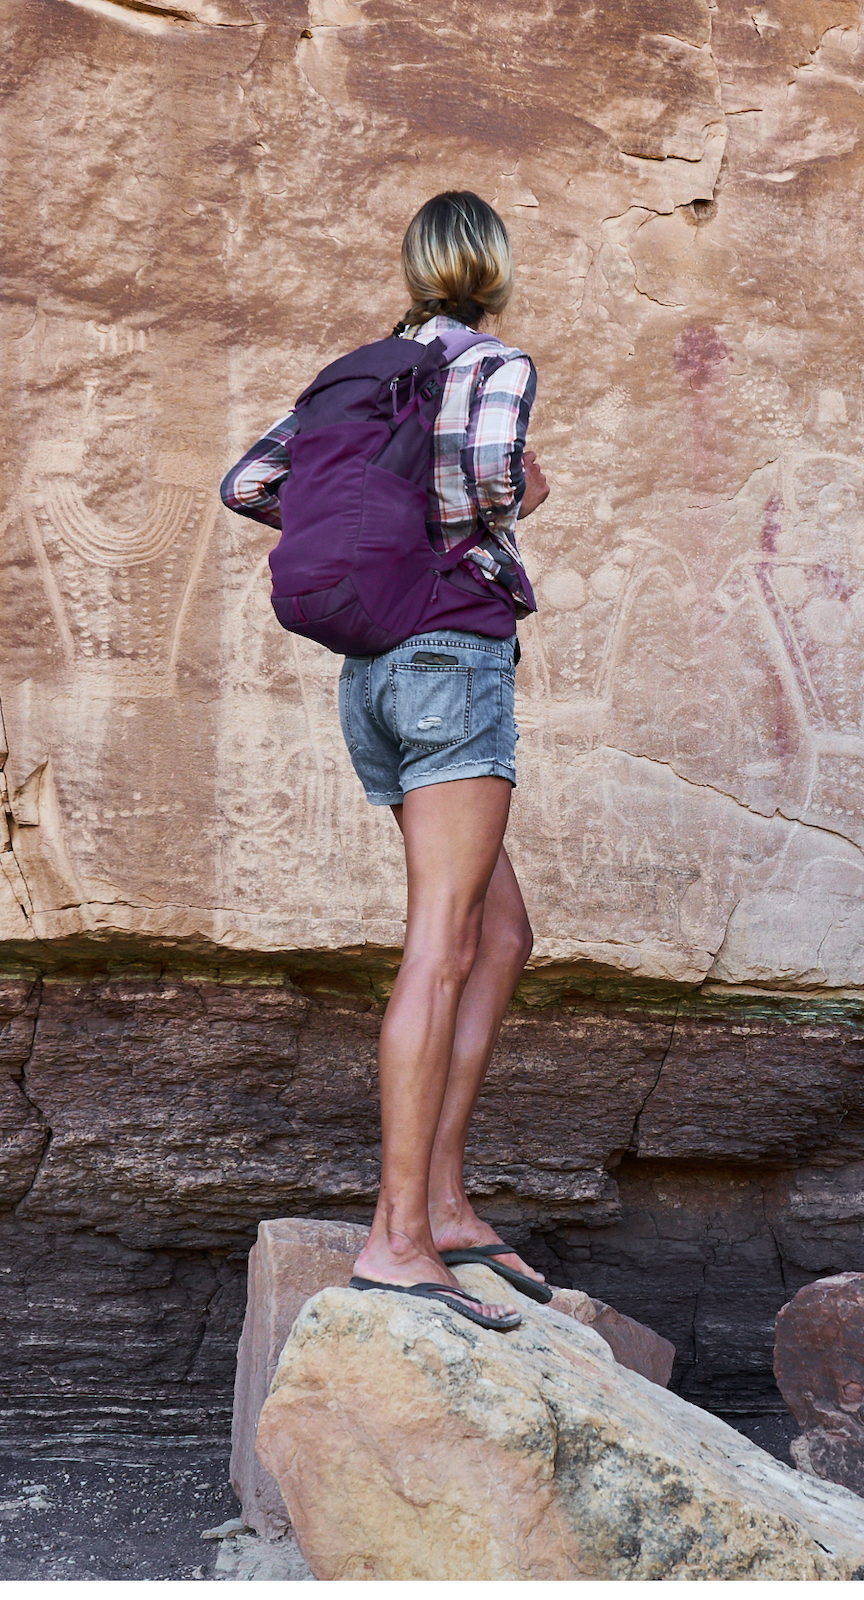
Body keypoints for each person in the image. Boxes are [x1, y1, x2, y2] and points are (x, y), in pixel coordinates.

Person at [221, 192, 550, 1331]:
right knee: (439, 947)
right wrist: (488, 508)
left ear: (413, 270)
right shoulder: (492, 363)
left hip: (370, 672)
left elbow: (249, 485)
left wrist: (370, 534)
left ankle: (444, 1201)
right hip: (451, 657)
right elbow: (499, 478)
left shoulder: (354, 373)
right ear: (494, 272)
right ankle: (397, 1237)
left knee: (499, 933)